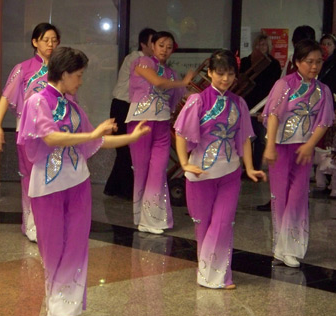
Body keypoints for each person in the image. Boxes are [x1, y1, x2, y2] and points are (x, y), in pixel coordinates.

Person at [17, 47, 150, 316]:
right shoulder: (37, 101)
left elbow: (96, 141)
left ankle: (66, 309)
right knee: (53, 247)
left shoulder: (73, 107)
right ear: (64, 74)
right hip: (48, 186)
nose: (80, 81)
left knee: (76, 244)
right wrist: (93, 133)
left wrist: (131, 138)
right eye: (77, 76)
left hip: (77, 181)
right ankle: (58, 308)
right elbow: (51, 138)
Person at [174, 50, 266, 289]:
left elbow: (245, 137)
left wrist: (249, 167)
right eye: (220, 73)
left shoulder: (239, 103)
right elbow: (181, 133)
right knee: (203, 225)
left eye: (230, 74)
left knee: (223, 223)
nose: (225, 79)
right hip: (200, 173)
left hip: (230, 172)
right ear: (211, 73)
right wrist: (184, 163)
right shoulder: (197, 100)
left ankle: (221, 275)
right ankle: (207, 272)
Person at [262, 39, 335, 268]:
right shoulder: (284, 85)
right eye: (309, 62)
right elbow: (273, 115)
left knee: (298, 198)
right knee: (280, 196)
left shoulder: (323, 91)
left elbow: (324, 122)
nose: (314, 67)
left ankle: (291, 248)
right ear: (297, 62)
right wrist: (270, 145)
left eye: (318, 62)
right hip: (281, 148)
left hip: (304, 148)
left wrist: (310, 144)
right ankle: (280, 249)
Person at [0, 23, 61, 242]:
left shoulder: (60, 70)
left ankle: (49, 223)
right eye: (45, 39)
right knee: (31, 178)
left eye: (54, 40)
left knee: (53, 177)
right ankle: (32, 225)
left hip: (55, 132)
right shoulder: (23, 68)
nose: (50, 44)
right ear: (35, 42)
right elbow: (5, 97)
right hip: (28, 131)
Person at [125, 31, 192, 234]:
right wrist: (183, 82)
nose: (165, 50)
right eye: (161, 45)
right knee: (142, 170)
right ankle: (140, 216)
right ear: (152, 46)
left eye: (169, 46)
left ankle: (153, 219)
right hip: (140, 123)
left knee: (158, 171)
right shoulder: (143, 62)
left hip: (162, 124)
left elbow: (185, 96)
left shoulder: (172, 74)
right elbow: (157, 82)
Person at [258, 25, 316, 212]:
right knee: (280, 186)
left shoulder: (317, 81)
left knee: (299, 184)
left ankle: (297, 204)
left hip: (306, 133)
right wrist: (270, 144)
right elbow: (275, 110)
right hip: (283, 136)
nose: (313, 66)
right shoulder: (287, 78)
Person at [104, 27, 156, 200]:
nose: (157, 46)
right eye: (153, 43)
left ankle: (114, 187)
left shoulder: (147, 59)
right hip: (122, 106)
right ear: (144, 44)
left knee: (125, 149)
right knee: (124, 149)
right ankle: (126, 189)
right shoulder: (137, 59)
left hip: (128, 106)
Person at [240, 34, 281, 170]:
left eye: (264, 44)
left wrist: (268, 106)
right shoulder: (246, 61)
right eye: (259, 44)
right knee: (246, 136)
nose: (261, 47)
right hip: (247, 101)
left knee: (260, 137)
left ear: (268, 46)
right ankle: (247, 166)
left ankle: (256, 167)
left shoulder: (274, 64)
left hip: (264, 103)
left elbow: (274, 87)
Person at [315, 34, 336, 195]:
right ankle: (324, 181)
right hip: (320, 107)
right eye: (324, 44)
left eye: (329, 44)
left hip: (332, 107)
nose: (326, 47)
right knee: (322, 145)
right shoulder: (319, 64)